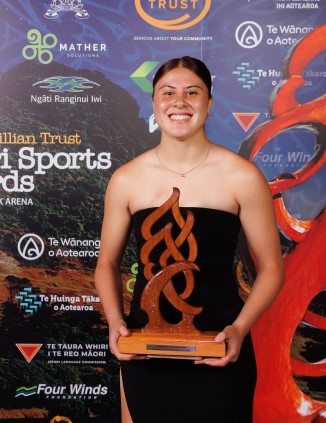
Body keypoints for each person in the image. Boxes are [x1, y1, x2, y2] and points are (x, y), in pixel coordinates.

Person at [94, 56, 284, 422]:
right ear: (154, 103)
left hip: (219, 347)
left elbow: (273, 268)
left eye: (192, 92)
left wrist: (239, 330)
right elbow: (107, 263)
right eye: (168, 92)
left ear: (209, 103)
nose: (179, 102)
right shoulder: (127, 179)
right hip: (144, 351)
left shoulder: (243, 176)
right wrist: (116, 323)